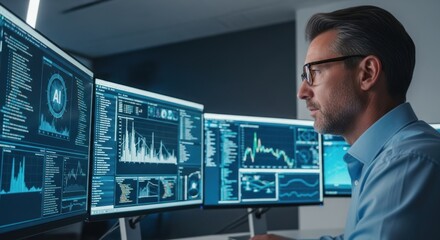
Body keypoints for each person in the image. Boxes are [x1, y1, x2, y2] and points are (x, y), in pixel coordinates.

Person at [252, 5, 440, 240]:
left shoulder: (405, 163)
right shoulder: (386, 158)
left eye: (315, 72)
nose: (302, 92)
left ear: (367, 74)